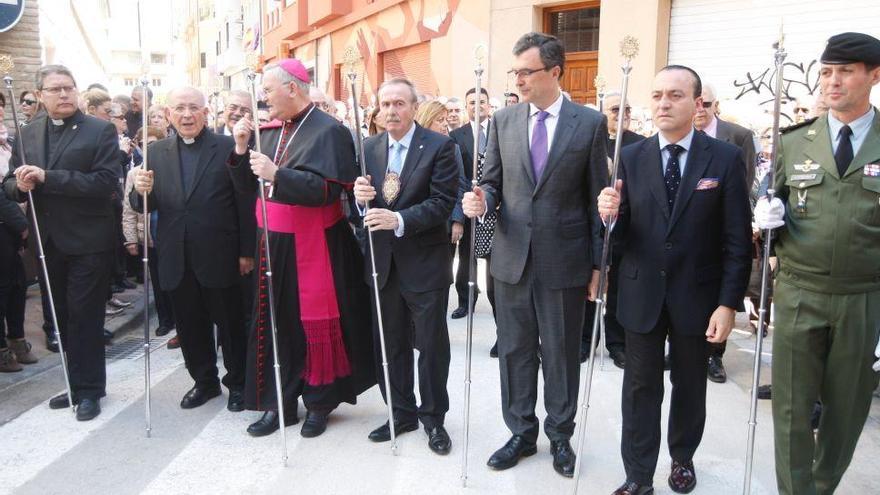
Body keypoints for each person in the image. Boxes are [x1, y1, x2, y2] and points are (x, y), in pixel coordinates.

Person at [597, 65, 751, 495]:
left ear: (697, 103)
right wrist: (607, 217)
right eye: (658, 95)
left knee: (689, 384)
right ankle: (638, 474)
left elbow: (737, 239)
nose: (664, 103)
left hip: (697, 297)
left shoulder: (721, 158)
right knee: (640, 388)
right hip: (641, 291)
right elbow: (620, 234)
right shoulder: (631, 156)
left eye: (675, 95)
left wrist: (728, 303)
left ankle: (682, 459)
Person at [462, 32, 607, 478]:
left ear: (555, 71)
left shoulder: (588, 123)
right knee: (515, 350)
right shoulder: (503, 121)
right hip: (510, 259)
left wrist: (599, 265)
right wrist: (483, 198)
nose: (518, 80)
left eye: (527, 71)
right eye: (516, 72)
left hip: (564, 261)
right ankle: (521, 432)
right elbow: (493, 181)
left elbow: (595, 199)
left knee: (562, 352)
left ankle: (560, 434)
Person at [754, 32, 880, 495]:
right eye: (827, 71)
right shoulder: (794, 142)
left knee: (847, 407)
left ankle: (823, 486)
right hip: (799, 290)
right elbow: (773, 205)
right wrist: (765, 221)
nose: (832, 81)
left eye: (845, 71)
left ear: (874, 75)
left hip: (862, 295)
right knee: (789, 405)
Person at [229, 59, 375, 438]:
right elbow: (247, 189)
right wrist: (242, 147)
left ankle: (319, 403)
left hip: (317, 245)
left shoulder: (330, 132)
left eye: (268, 90)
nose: (263, 98)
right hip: (271, 244)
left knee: (312, 325)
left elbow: (329, 191)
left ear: (292, 88)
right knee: (274, 323)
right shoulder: (270, 131)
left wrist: (279, 175)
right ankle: (279, 403)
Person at [2, 64, 121, 421]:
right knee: (62, 317)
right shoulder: (28, 133)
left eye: (69, 87)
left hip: (89, 241)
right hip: (48, 241)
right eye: (55, 89)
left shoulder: (99, 130)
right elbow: (9, 182)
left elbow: (104, 183)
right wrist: (18, 186)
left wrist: (48, 178)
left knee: (85, 316)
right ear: (39, 95)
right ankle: (74, 382)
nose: (64, 94)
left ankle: (89, 391)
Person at [353, 77, 458, 455]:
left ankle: (433, 418)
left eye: (399, 103)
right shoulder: (368, 147)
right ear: (377, 110)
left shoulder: (440, 146)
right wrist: (360, 200)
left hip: (425, 263)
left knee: (430, 345)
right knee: (391, 342)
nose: (391, 111)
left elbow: (443, 202)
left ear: (414, 107)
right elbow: (360, 208)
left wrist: (399, 221)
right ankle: (401, 412)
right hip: (382, 264)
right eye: (385, 104)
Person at [132, 86, 253, 413]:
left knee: (230, 325)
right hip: (177, 254)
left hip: (220, 252)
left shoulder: (228, 146)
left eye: (193, 108)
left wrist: (247, 250)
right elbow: (145, 202)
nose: (186, 115)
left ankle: (239, 383)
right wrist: (138, 190)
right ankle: (204, 381)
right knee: (190, 325)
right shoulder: (155, 152)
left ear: (205, 113)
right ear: (169, 114)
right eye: (179, 108)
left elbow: (244, 199)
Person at [582, 91, 646, 368]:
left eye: (628, 108)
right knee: (589, 287)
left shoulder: (642, 145)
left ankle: (617, 343)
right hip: (592, 227)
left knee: (619, 290)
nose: (623, 114)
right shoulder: (589, 141)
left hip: (627, 228)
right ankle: (585, 340)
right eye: (616, 109)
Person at [122, 125, 175, 339]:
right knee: (158, 283)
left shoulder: (172, 169)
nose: (149, 148)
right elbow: (128, 207)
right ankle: (165, 320)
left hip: (171, 237)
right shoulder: (135, 173)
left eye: (153, 143)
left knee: (176, 283)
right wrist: (131, 239)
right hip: (149, 237)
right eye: (144, 144)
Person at [0, 91, 36, 373]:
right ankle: (2, 348)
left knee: (17, 284)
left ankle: (17, 338)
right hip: (7, 224)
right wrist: (21, 224)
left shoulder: (8, 141)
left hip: (12, 226)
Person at [449, 87, 491, 321]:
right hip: (467, 204)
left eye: (482, 101)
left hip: (494, 206)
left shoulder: (500, 130)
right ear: (467, 107)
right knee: (466, 257)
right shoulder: (457, 136)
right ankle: (466, 301)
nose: (477, 106)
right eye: (472, 103)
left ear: (488, 105)